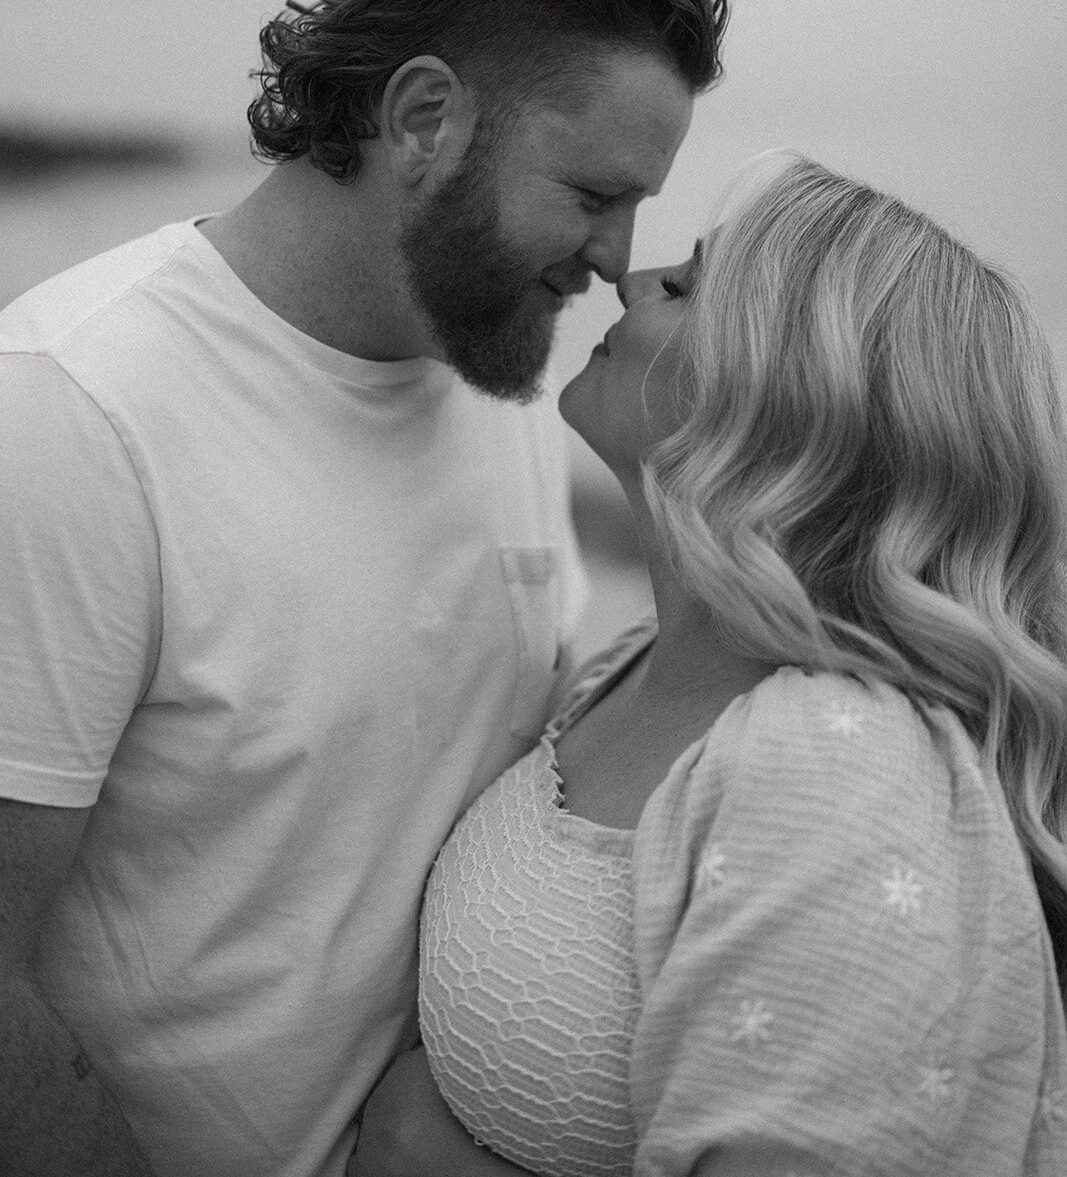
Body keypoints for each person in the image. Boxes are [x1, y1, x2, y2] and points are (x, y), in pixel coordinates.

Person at [0, 0, 729, 1177]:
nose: (619, 260)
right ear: (423, 120)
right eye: (590, 195)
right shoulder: (70, 411)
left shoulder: (499, 369)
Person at [354, 150, 1067, 1177]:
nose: (627, 280)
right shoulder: (639, 659)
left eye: (684, 287)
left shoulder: (831, 761)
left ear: (789, 403)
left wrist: (420, 1150)